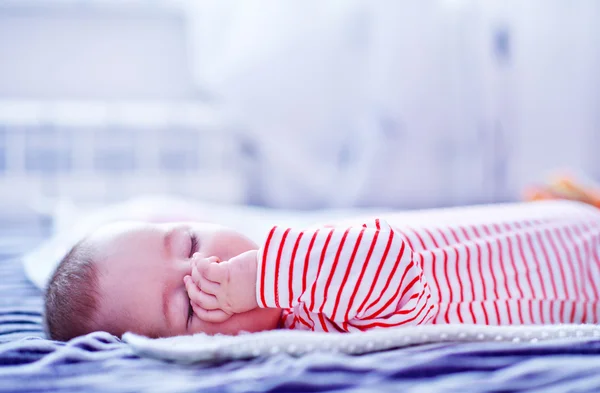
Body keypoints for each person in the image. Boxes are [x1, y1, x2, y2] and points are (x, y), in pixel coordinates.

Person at [44, 199, 600, 341]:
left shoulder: (296, 264)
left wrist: (265, 275)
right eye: (189, 304)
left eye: (189, 241)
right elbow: (393, 274)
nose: (209, 267)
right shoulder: (313, 323)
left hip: (567, 236)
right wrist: (262, 279)